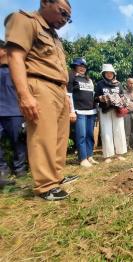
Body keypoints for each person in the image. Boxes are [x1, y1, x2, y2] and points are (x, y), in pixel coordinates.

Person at [5, 0, 78, 201]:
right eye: (62, 13)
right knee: (43, 135)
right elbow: (15, 56)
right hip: (39, 84)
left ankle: (56, 177)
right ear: (46, 2)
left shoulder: (54, 36)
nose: (64, 20)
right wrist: (24, 95)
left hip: (59, 88)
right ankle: (45, 185)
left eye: (68, 17)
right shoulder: (25, 20)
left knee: (59, 137)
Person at [0, 39, 26, 186]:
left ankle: (20, 171)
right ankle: (2, 172)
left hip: (15, 112)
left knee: (18, 143)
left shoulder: (18, 69)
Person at [68, 58, 98, 168]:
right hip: (79, 111)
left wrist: (97, 110)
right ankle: (83, 158)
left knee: (90, 135)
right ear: (75, 67)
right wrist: (71, 111)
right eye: (80, 66)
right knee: (81, 135)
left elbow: (93, 96)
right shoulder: (72, 77)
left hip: (91, 111)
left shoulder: (89, 80)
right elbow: (69, 95)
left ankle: (90, 156)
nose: (82, 68)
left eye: (84, 66)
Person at [94, 64, 127, 163]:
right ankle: (108, 156)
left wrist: (122, 99)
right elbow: (95, 98)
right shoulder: (100, 84)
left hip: (117, 110)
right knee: (106, 132)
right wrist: (101, 98)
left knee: (119, 130)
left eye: (111, 73)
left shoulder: (118, 84)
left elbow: (122, 95)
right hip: (105, 110)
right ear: (104, 74)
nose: (109, 74)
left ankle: (119, 154)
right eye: (107, 73)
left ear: (114, 74)